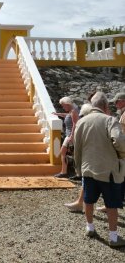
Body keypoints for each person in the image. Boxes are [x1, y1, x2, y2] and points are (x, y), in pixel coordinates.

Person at [74, 91, 125, 247]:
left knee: (89, 200)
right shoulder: (110, 120)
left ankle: (90, 227)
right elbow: (119, 141)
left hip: (88, 168)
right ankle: (113, 237)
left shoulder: (82, 122)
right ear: (105, 105)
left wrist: (78, 169)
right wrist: (121, 154)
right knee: (111, 204)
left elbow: (77, 148)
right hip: (108, 170)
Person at [53, 96, 79, 178]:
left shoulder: (74, 111)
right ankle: (67, 172)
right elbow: (67, 116)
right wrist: (58, 114)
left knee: (66, 152)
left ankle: (66, 172)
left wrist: (71, 135)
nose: (63, 107)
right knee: (68, 153)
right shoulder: (72, 111)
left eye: (63, 105)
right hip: (69, 135)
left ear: (67, 104)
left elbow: (75, 124)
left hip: (71, 136)